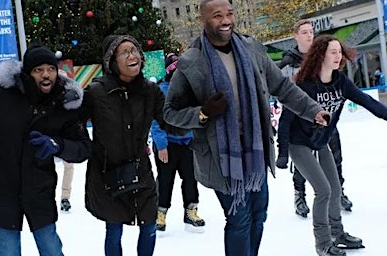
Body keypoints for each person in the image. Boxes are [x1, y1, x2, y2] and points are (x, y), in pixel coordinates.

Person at [163, 1, 330, 255]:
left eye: (229, 13)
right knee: (239, 220)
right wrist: (202, 112)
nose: (226, 20)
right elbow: (170, 113)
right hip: (221, 157)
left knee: (258, 214)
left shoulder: (251, 48)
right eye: (217, 16)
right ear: (203, 20)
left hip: (256, 150)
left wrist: (313, 110)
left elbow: (282, 87)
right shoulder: (191, 61)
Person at [0, 45, 91, 255]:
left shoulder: (63, 103)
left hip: (39, 190)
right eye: (38, 70)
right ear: (27, 73)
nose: (46, 74)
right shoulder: (2, 94)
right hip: (2, 189)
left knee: (51, 248)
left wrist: (57, 145)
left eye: (50, 68)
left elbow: (83, 148)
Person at [82, 35, 182, 256]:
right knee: (114, 229)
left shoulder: (150, 91)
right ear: (112, 61)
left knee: (149, 226)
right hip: (107, 173)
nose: (132, 55)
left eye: (135, 50)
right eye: (124, 52)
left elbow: (169, 120)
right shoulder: (96, 92)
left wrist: (198, 115)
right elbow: (74, 125)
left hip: (140, 170)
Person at [276, 35, 375, 255]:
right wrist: (282, 153)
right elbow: (285, 120)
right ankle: (322, 244)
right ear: (320, 55)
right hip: (298, 142)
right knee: (323, 190)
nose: (338, 56)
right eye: (333, 51)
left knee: (335, 188)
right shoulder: (304, 85)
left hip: (321, 141)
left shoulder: (341, 82)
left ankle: (337, 233)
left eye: (340, 51)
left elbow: (368, 102)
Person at [277, 19, 353, 216]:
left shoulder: (323, 56)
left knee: (335, 153)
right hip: (299, 119)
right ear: (296, 36)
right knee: (303, 163)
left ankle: (339, 191)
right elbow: (280, 88)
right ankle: (299, 195)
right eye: (304, 32)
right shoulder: (288, 62)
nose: (309, 35)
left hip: (325, 118)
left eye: (311, 31)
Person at [151, 53, 205, 233]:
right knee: (165, 180)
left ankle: (191, 211)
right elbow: (156, 121)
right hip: (168, 144)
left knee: (191, 178)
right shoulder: (162, 90)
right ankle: (160, 213)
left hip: (188, 143)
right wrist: (161, 145)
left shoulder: (191, 90)